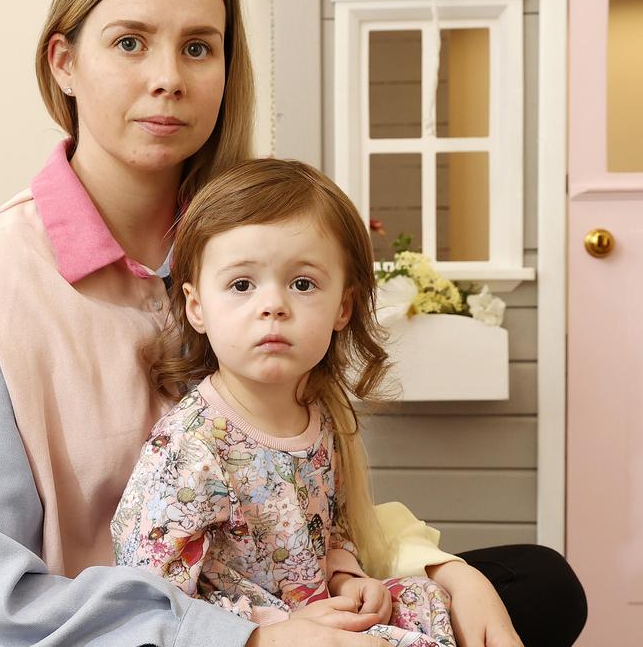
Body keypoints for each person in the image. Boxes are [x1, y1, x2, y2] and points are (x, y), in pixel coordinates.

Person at [0, 0, 586, 647]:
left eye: (197, 48)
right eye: (129, 43)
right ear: (63, 62)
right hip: (87, 635)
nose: (168, 80)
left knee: (534, 585)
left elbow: (305, 501)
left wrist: (437, 571)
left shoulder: (250, 257)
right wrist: (250, 640)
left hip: (261, 601)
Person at [112, 158, 457, 647]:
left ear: (342, 307)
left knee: (427, 601)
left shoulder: (320, 417)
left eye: (302, 283)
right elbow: (150, 595)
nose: (273, 305)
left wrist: (347, 579)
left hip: (317, 609)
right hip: (244, 634)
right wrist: (268, 630)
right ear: (197, 306)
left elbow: (331, 528)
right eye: (241, 285)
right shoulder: (190, 446)